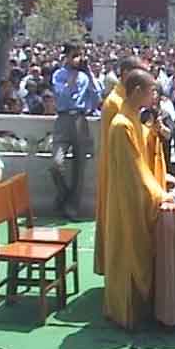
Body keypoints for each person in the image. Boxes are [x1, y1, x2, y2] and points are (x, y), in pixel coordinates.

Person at [103, 69, 174, 330]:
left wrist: (153, 133)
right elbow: (135, 171)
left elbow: (144, 145)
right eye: (151, 91)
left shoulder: (132, 118)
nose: (155, 96)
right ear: (136, 92)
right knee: (129, 252)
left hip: (133, 198)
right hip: (127, 204)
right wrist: (160, 195)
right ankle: (127, 313)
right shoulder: (121, 125)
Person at [94, 55, 146, 276]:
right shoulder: (115, 103)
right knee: (118, 223)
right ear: (126, 75)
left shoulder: (126, 99)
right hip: (118, 171)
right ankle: (119, 274)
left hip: (125, 165)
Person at [50, 43, 102, 221]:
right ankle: (64, 195)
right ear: (66, 56)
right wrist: (71, 80)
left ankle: (72, 207)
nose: (78, 59)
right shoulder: (59, 75)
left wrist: (90, 73)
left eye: (80, 55)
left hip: (80, 120)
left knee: (80, 167)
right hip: (63, 119)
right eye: (74, 55)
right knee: (56, 164)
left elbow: (97, 97)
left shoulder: (85, 77)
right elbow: (61, 95)